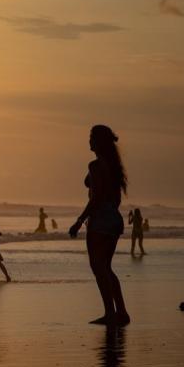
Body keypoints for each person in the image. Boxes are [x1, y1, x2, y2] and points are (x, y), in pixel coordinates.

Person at [69, 125, 130, 326]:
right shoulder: (113, 166)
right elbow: (113, 197)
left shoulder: (96, 166)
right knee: (106, 268)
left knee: (98, 267)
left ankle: (110, 313)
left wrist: (79, 222)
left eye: (91, 137)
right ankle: (121, 311)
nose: (89, 141)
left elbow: (95, 199)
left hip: (100, 220)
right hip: (114, 219)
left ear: (97, 142)